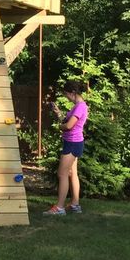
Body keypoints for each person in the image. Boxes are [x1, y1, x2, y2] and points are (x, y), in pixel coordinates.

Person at [43, 80, 89, 217]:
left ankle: (60, 208)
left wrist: (59, 127)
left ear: (73, 93)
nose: (66, 97)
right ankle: (75, 205)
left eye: (67, 94)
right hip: (75, 142)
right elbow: (67, 121)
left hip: (72, 144)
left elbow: (69, 126)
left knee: (62, 174)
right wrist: (58, 114)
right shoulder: (77, 106)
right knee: (71, 174)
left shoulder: (80, 107)